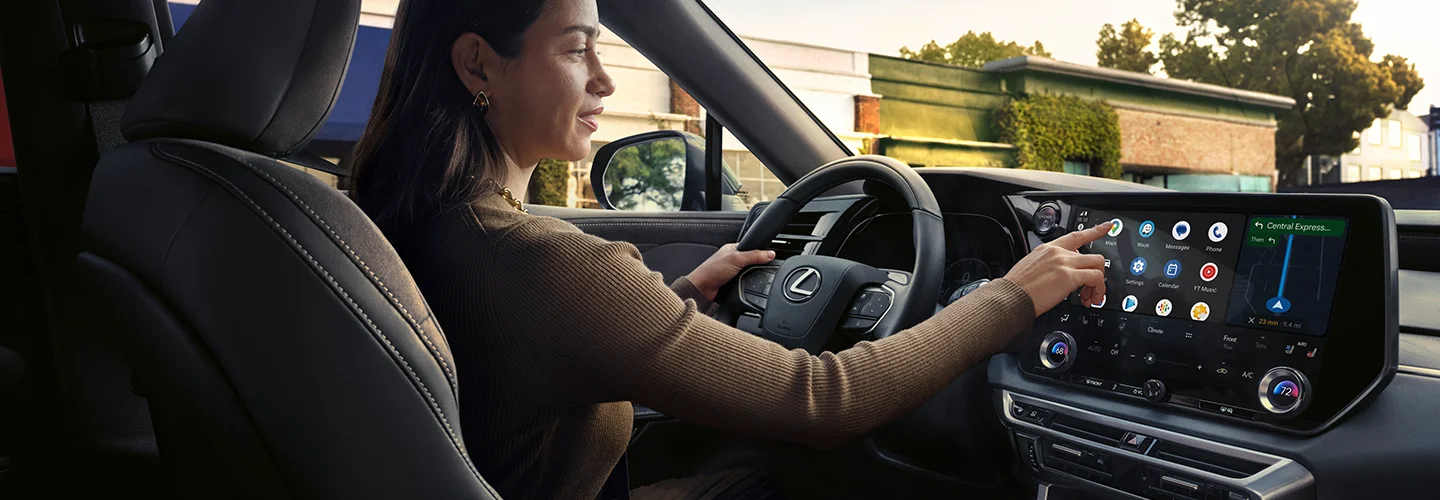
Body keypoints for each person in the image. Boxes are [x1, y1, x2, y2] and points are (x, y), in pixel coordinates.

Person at [348, 0, 1110, 498]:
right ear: (479, 64)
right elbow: (825, 400)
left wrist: (676, 304)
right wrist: (1010, 297)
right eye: (578, 50)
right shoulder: (543, 264)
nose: (607, 81)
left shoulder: (398, 224)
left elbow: (530, 362)